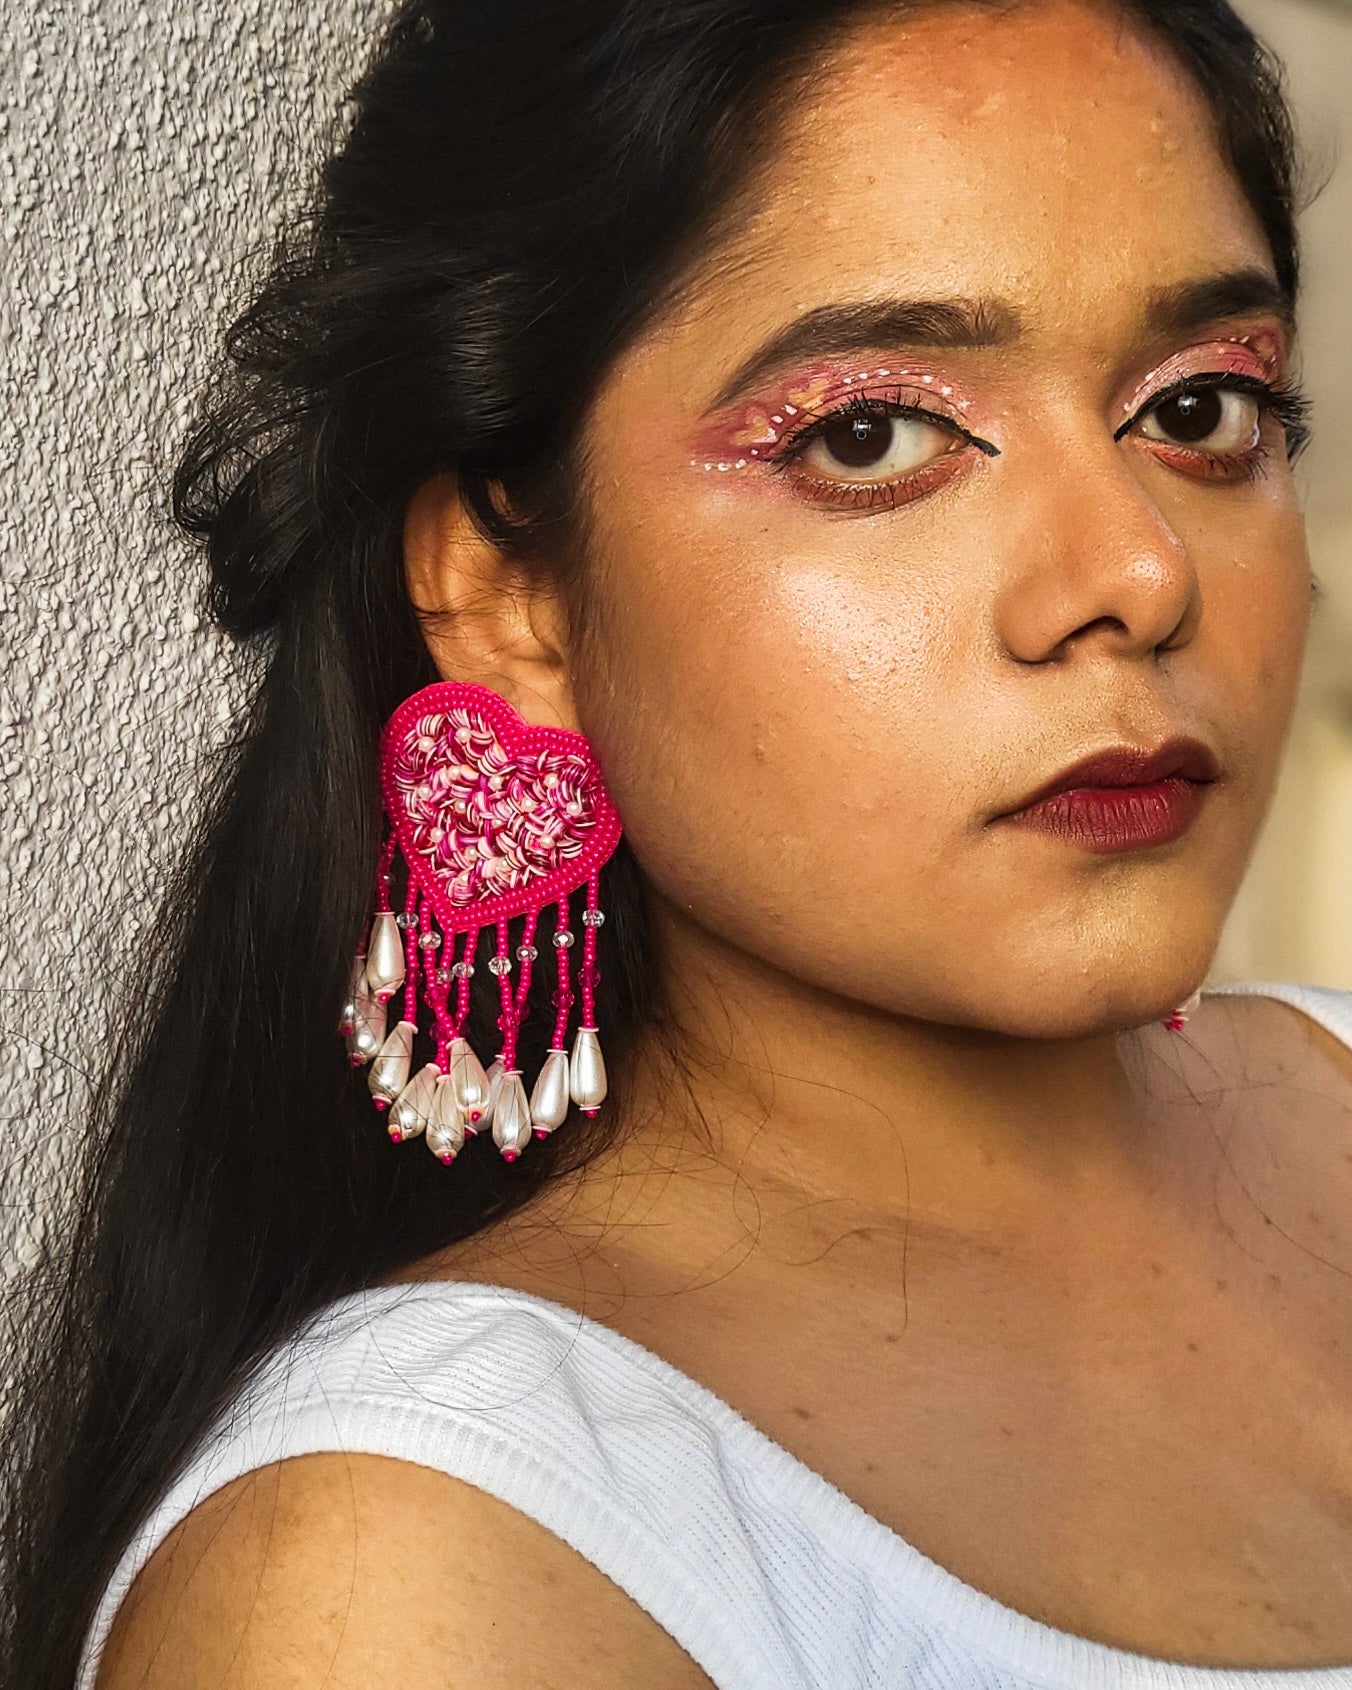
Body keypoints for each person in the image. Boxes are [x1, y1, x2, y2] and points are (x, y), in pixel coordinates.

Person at [4, 0, 1352, 1684]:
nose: (1142, 573)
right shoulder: (399, 1576)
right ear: (515, 597)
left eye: (1204, 406)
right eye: (871, 435)